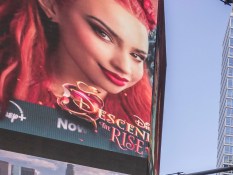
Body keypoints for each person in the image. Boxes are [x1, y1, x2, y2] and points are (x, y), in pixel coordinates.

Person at [0, 0, 156, 133]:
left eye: (137, 56)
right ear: (51, 5)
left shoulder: (141, 121)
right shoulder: (10, 91)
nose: (124, 67)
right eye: (104, 34)